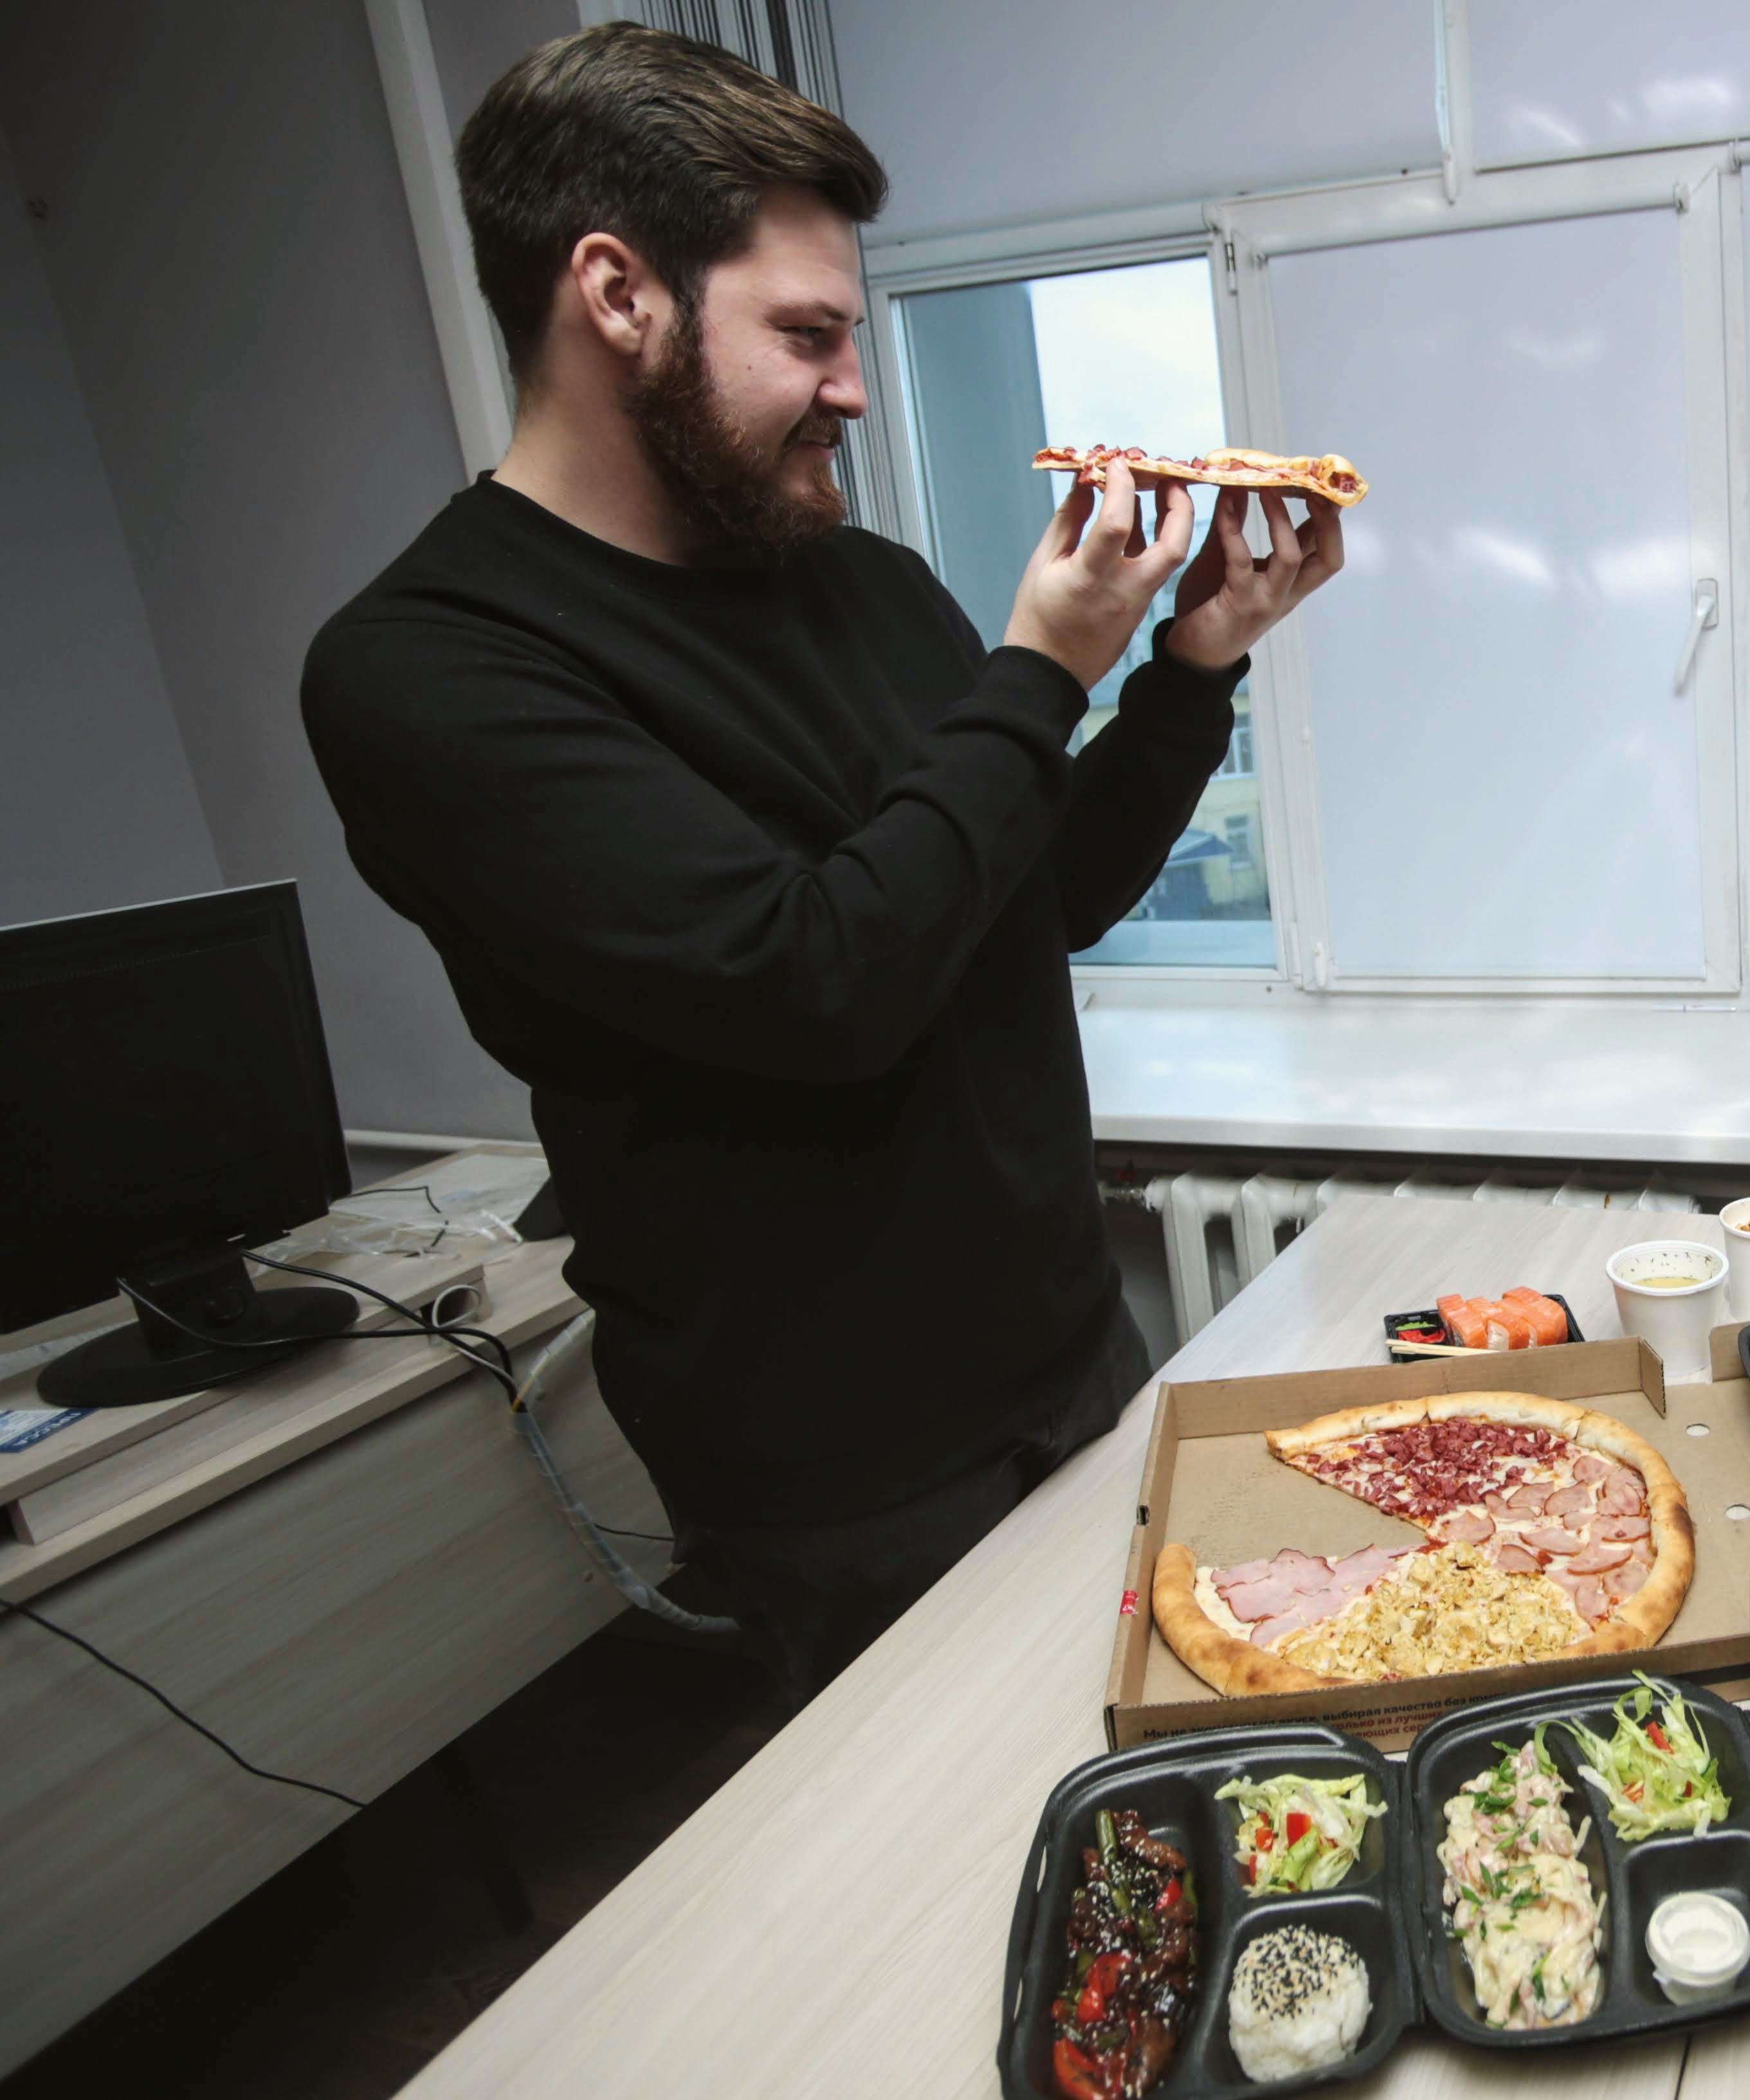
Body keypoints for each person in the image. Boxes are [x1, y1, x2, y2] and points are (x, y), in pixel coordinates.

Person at [301, 24, 1340, 1701]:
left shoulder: (864, 583)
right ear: (617, 295)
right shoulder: (430, 671)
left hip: (1077, 1354)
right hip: (839, 1472)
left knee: (1175, 1776)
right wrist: (1041, 671)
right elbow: (819, 983)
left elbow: (1036, 896)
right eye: (806, 336)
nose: (852, 386)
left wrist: (1186, 671)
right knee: (962, 1845)